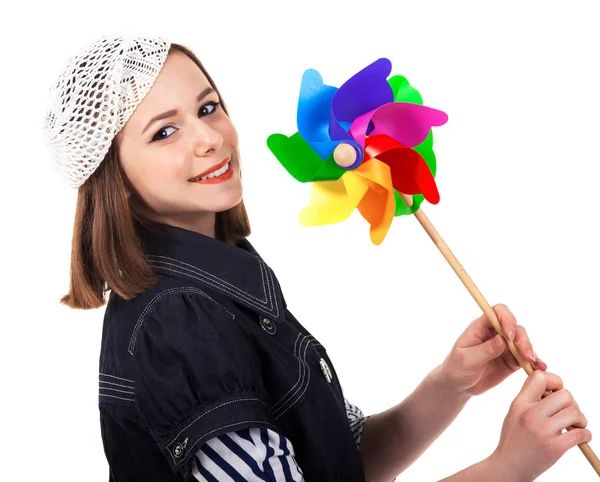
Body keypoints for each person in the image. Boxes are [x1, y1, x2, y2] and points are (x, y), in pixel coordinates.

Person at [42, 35, 591, 482]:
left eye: (208, 107)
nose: (210, 137)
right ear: (113, 178)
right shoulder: (178, 321)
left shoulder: (222, 277)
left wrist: (450, 385)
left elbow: (338, 464)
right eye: (165, 131)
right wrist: (509, 468)